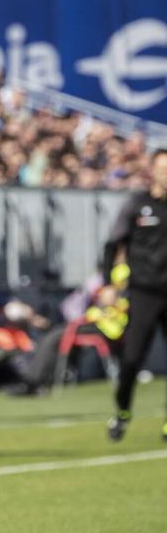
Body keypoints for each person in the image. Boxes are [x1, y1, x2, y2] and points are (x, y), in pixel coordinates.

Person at [102, 148, 167, 441]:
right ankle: (122, 411)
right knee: (131, 359)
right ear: (151, 171)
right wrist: (107, 284)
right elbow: (112, 244)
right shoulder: (137, 205)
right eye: (162, 169)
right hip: (144, 292)